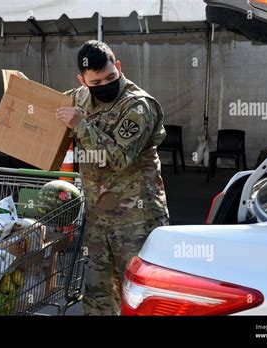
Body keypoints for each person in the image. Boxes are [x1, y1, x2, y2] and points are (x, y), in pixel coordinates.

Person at [55, 40, 170, 316]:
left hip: (136, 222)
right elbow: (52, 103)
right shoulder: (82, 96)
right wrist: (26, 92)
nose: (105, 84)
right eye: (96, 82)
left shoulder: (139, 105)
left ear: (118, 67)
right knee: (97, 298)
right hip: (98, 220)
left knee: (141, 298)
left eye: (110, 77)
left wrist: (80, 126)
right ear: (83, 80)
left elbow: (118, 158)